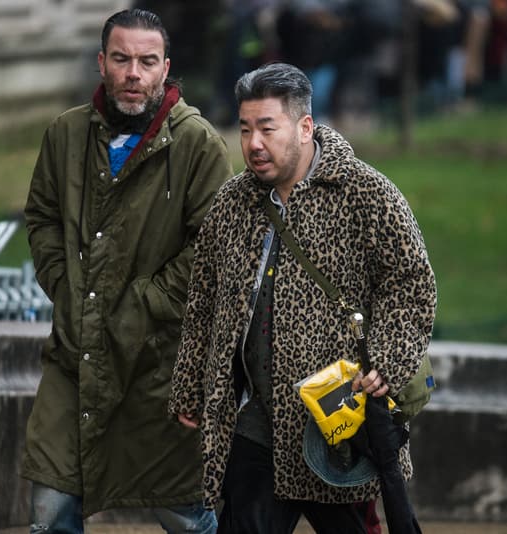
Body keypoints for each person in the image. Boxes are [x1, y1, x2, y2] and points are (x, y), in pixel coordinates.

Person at [169, 62, 437, 533]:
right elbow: (203, 303)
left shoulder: (368, 194)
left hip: (335, 426)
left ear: (305, 126)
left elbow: (411, 284)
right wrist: (191, 385)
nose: (252, 143)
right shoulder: (232, 204)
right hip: (253, 423)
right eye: (246, 128)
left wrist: (388, 362)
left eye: (267, 129)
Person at [20, 8, 232, 533]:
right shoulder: (65, 134)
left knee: (183, 514)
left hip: (159, 366)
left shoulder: (198, 144)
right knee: (49, 513)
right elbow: (43, 217)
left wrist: (144, 303)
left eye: (146, 61)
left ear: (165, 68)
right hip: (74, 357)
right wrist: (64, 284)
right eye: (121, 59)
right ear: (101, 62)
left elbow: (214, 249)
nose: (133, 73)